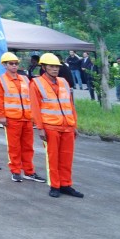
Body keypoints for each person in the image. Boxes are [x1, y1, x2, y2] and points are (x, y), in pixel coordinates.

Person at [29, 53, 83, 197]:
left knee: (67, 157)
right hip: (50, 126)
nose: (55, 69)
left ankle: (66, 184)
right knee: (53, 157)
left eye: (57, 66)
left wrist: (74, 125)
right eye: (52, 66)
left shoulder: (64, 82)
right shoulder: (36, 83)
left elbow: (70, 105)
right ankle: (55, 185)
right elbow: (35, 107)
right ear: (44, 67)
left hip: (67, 126)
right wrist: (40, 128)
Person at [0, 52, 45, 184]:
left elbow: (31, 99)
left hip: (26, 118)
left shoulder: (25, 79)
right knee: (14, 147)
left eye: (16, 63)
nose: (14, 66)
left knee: (28, 147)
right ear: (5, 65)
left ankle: (29, 171)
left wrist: (33, 116)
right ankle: (16, 171)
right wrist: (1, 116)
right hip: (12, 119)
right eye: (11, 63)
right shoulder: (0, 80)